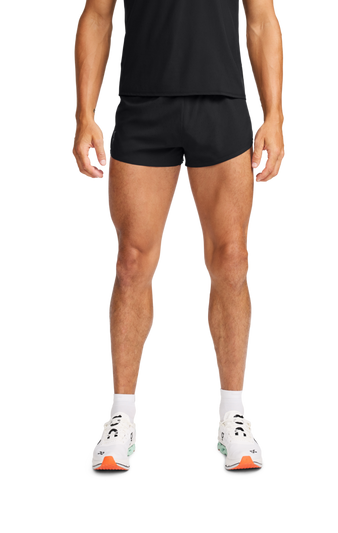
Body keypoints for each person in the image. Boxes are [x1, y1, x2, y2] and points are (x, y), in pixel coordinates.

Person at [72, 0, 286, 473]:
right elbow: (97, 14)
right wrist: (85, 114)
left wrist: (274, 115)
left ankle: (232, 417)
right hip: (143, 105)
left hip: (222, 103)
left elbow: (262, 18)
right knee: (132, 262)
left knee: (231, 260)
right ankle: (121, 418)